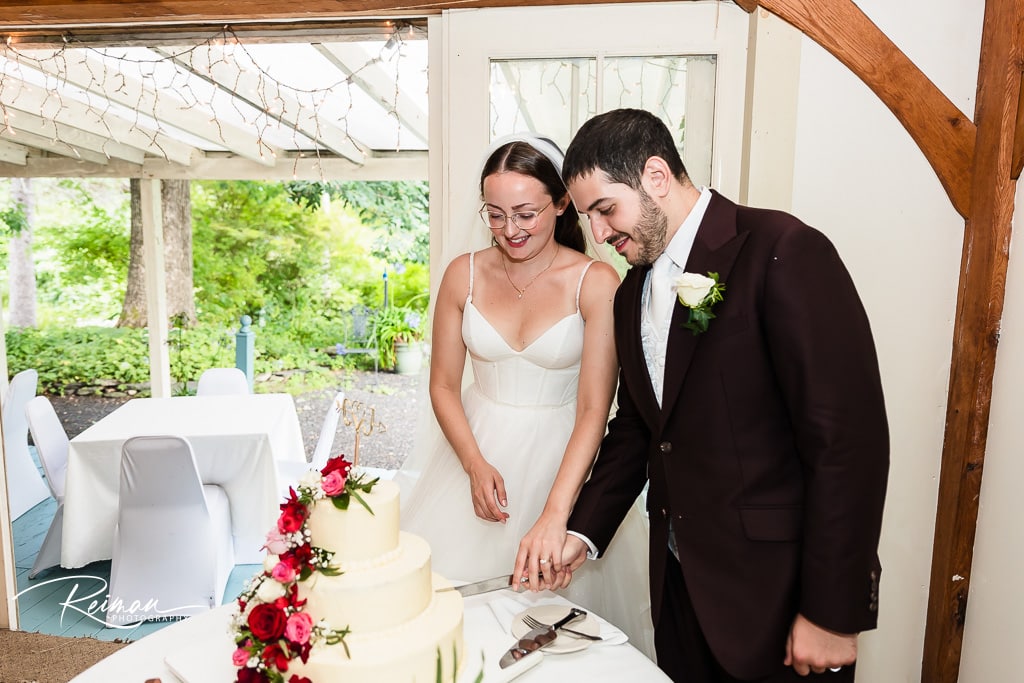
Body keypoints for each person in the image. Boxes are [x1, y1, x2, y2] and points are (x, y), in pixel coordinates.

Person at [548, 109, 889, 682]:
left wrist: (833, 612)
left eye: (605, 209)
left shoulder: (783, 249)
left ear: (655, 175)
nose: (600, 235)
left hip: (778, 596)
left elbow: (847, 443)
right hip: (680, 589)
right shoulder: (633, 293)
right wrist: (582, 531)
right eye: (589, 218)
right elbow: (640, 428)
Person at [394, 134, 656, 658]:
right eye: (494, 215)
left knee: (556, 637)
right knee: (450, 629)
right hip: (474, 452)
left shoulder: (595, 281)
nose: (508, 230)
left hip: (563, 462)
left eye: (525, 213)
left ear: (561, 204)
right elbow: (443, 384)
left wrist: (559, 511)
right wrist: (472, 463)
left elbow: (594, 409)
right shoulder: (461, 275)